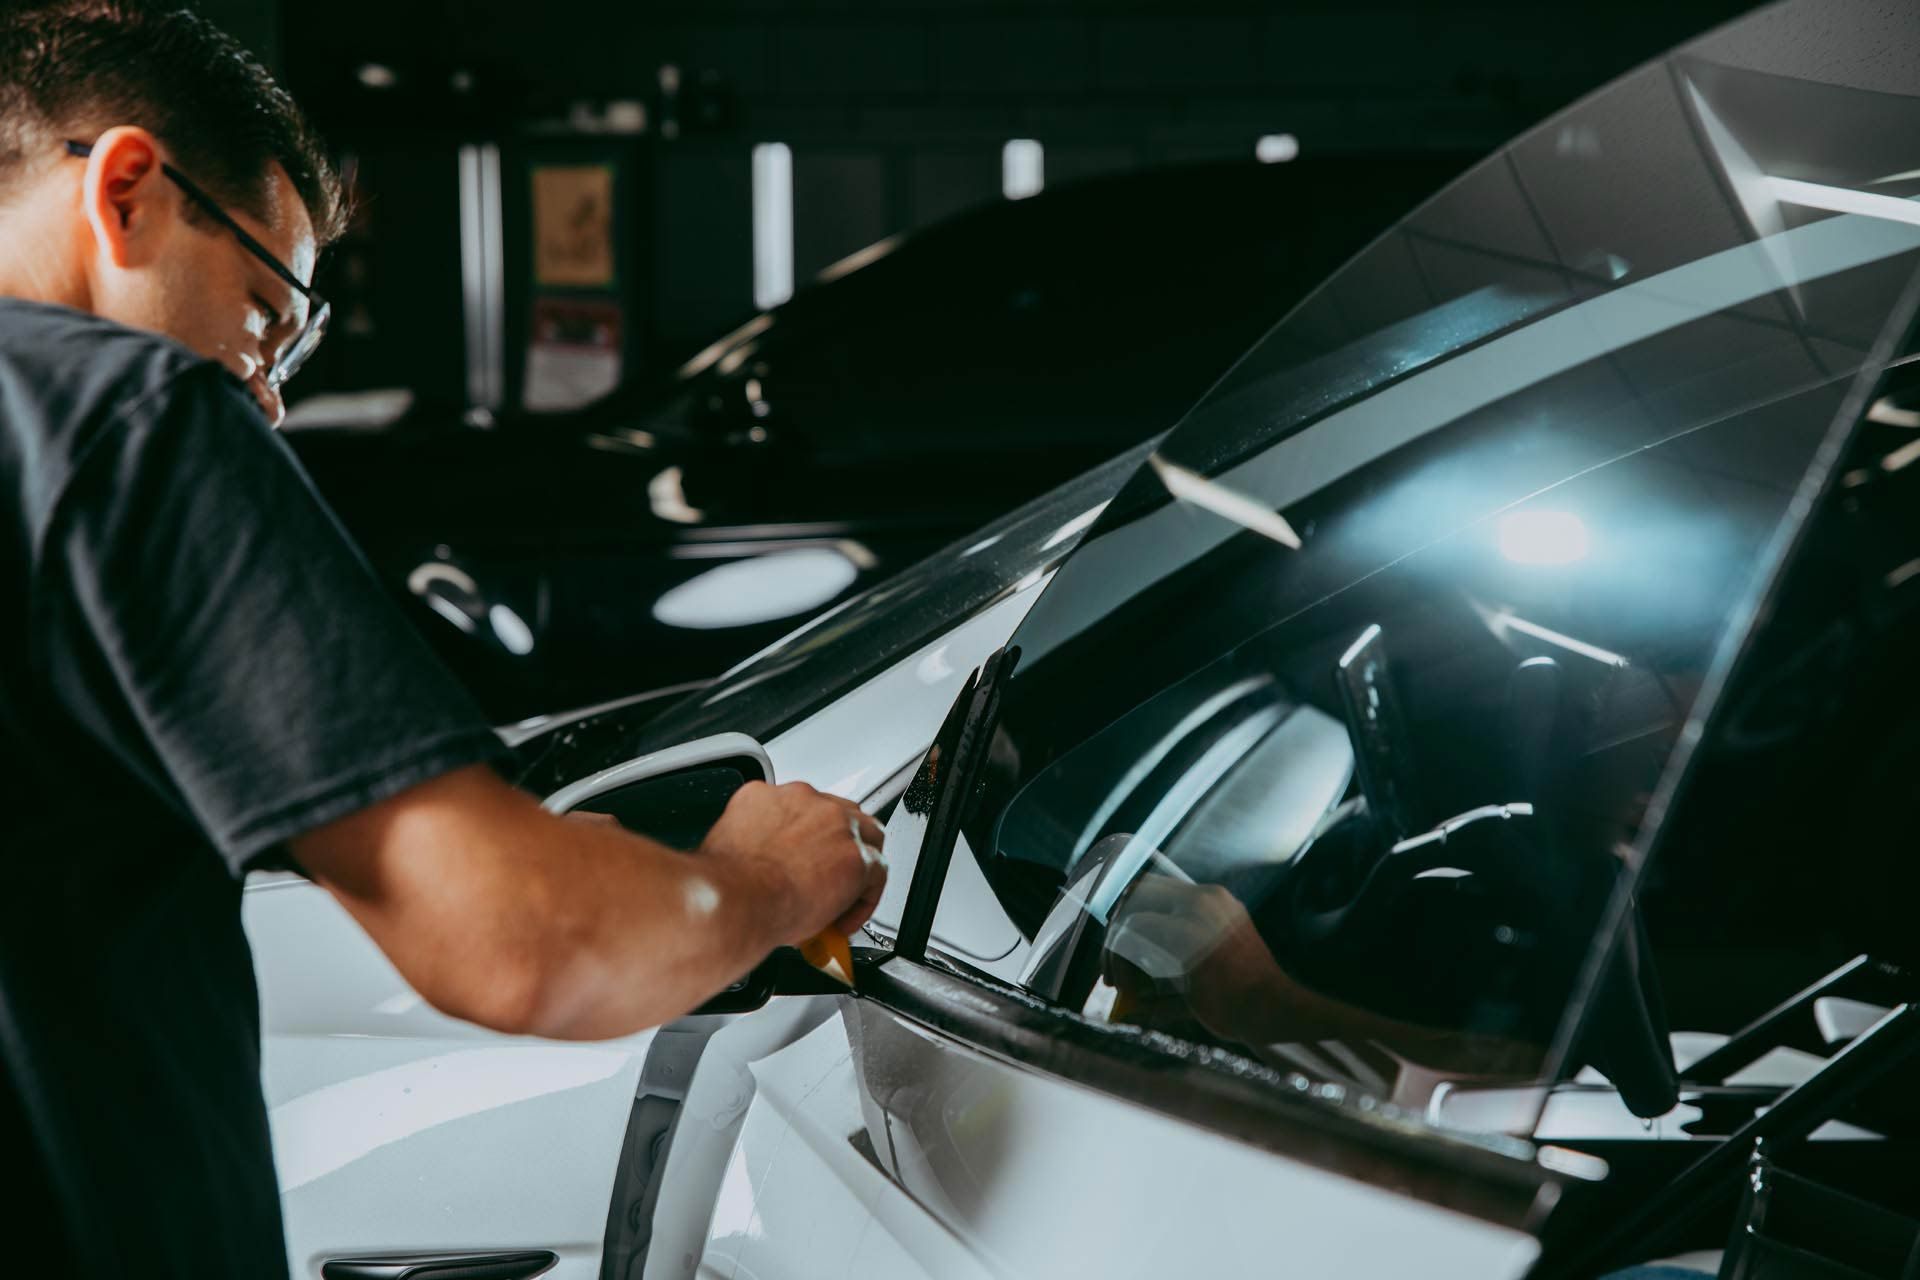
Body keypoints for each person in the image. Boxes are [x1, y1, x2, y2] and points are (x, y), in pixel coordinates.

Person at [0, 3, 885, 1275]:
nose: (270, 394)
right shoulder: (128, 423)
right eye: (269, 311)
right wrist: (771, 876)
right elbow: (530, 946)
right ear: (128, 190)